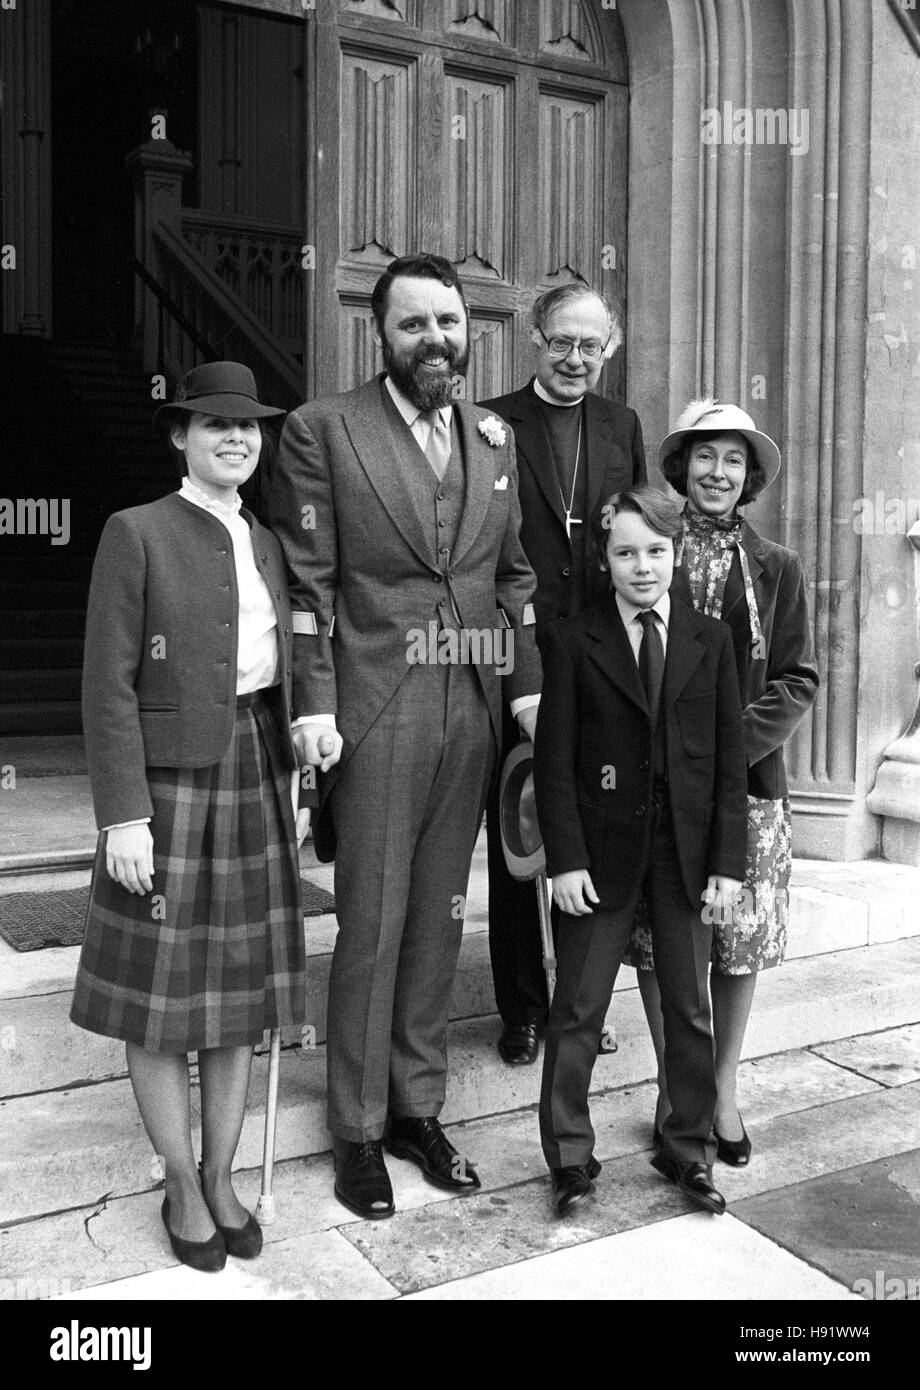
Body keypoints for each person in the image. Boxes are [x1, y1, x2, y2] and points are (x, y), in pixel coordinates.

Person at [268, 253, 542, 1220]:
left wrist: (526, 694)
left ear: (474, 331)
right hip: (373, 709)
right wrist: (313, 708)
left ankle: (416, 1108)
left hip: (469, 699)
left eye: (451, 323)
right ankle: (354, 1126)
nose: (437, 340)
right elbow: (310, 587)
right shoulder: (322, 429)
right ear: (379, 334)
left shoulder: (496, 438)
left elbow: (512, 580)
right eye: (415, 324)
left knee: (438, 919)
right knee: (373, 921)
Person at [71, 362, 303, 1272]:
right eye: (216, 426)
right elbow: (106, 685)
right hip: (166, 788)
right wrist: (122, 815)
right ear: (180, 436)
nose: (237, 440)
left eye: (248, 429)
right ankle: (176, 1179)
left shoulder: (270, 542)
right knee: (162, 1003)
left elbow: (293, 659)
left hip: (254, 768)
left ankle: (221, 1174)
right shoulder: (136, 532)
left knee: (239, 1000)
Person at [533, 486, 747, 1217]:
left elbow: (727, 764)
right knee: (579, 1008)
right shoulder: (571, 639)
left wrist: (728, 865)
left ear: (676, 551)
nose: (643, 567)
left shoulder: (709, 640)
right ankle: (567, 1156)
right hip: (599, 853)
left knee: (690, 1007)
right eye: (626, 552)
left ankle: (687, 1147)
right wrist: (564, 859)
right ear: (606, 558)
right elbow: (555, 762)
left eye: (657, 551)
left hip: (686, 858)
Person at [624, 399, 819, 1163]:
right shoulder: (652, 549)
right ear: (680, 466)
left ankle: (725, 1090)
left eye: (733, 460)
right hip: (660, 782)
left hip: (747, 785)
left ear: (751, 476)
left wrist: (725, 748)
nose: (717, 472)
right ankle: (677, 1089)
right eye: (704, 456)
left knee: (736, 942)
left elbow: (799, 675)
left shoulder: (777, 568)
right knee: (660, 939)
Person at [480, 286, 647, 1065]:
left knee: (595, 830)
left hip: (598, 659)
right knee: (520, 831)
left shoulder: (622, 425)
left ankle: (580, 998)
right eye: (561, 343)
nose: (576, 360)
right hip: (515, 651)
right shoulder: (486, 422)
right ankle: (522, 1009)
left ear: (609, 348)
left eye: (592, 346)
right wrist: (519, 675)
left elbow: (638, 534)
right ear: (533, 338)